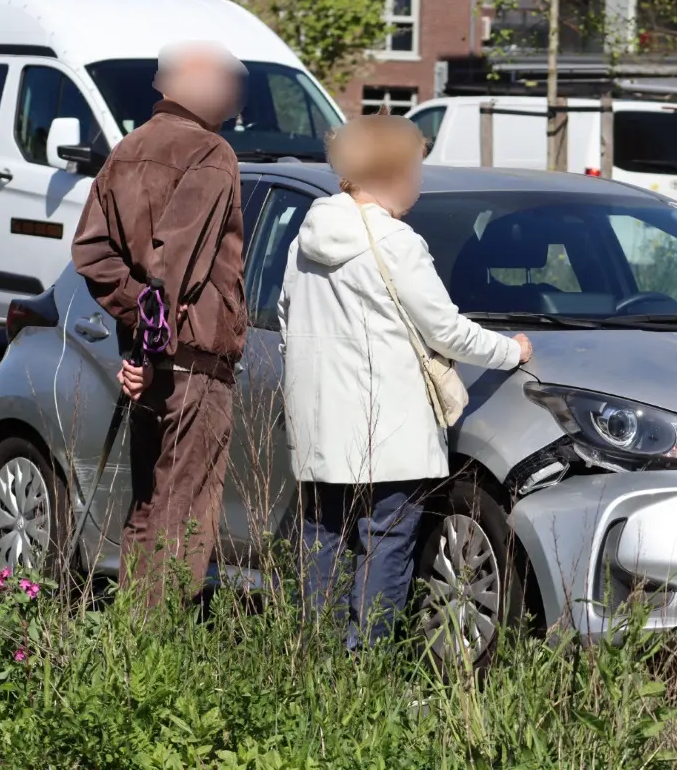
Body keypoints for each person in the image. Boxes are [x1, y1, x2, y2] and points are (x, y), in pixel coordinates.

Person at [276, 115, 533, 650]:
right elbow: (446, 330)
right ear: (392, 172)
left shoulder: (306, 236)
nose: (419, 179)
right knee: (386, 542)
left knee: (321, 536)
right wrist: (512, 351)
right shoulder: (396, 242)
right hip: (389, 428)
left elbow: (286, 318)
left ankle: (315, 657)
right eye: (415, 168)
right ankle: (365, 664)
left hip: (321, 423)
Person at [71, 41, 249, 607]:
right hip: (189, 362)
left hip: (149, 357)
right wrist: (152, 344)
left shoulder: (127, 150)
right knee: (184, 511)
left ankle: (132, 637)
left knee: (150, 505)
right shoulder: (212, 153)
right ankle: (157, 642)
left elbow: (92, 253)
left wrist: (138, 329)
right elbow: (174, 261)